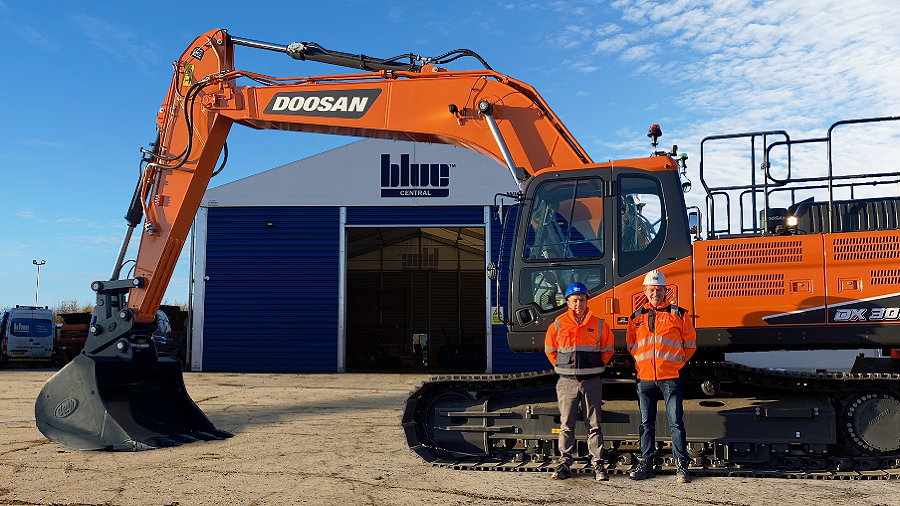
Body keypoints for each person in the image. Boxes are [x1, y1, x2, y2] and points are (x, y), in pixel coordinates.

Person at [626, 269, 697, 483]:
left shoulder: (680, 314)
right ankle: (647, 464)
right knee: (646, 423)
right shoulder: (635, 317)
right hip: (645, 378)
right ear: (645, 292)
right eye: (651, 289)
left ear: (665, 290)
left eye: (659, 289)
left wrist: (675, 364)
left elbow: (690, 344)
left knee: (675, 422)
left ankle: (681, 467)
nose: (655, 292)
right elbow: (631, 345)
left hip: (671, 377)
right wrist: (642, 364)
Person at [544, 282, 615, 481]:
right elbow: (550, 351)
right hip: (567, 382)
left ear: (587, 301)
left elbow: (608, 349)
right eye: (574, 300)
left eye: (582, 300)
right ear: (567, 302)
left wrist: (594, 367)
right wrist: (566, 369)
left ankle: (598, 464)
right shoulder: (557, 324)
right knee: (567, 424)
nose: (578, 304)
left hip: (591, 381)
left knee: (594, 425)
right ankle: (564, 463)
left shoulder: (599, 324)